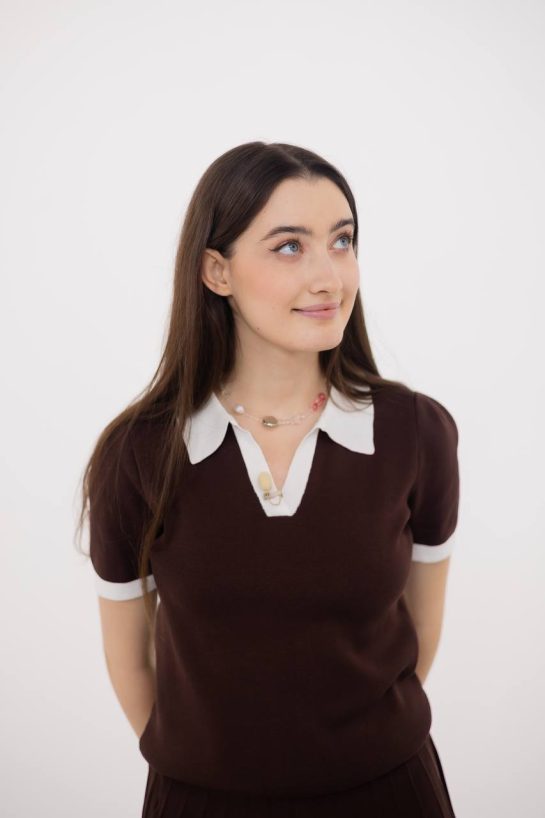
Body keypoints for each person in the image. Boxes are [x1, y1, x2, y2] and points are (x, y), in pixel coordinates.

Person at [77, 141, 460, 817]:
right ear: (216, 271)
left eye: (341, 241)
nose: (329, 277)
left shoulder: (414, 432)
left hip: (390, 794)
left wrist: (353, 752)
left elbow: (419, 634)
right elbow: (130, 659)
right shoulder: (139, 453)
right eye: (289, 247)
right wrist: (205, 768)